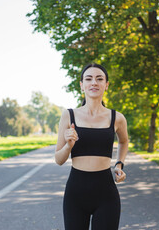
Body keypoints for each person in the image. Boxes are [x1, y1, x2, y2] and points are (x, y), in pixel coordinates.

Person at [55, 63, 129, 230]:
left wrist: (119, 164)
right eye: (88, 79)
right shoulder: (69, 115)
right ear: (82, 85)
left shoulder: (117, 118)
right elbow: (59, 160)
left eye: (99, 79)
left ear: (106, 85)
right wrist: (68, 145)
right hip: (76, 193)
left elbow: (124, 141)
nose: (94, 82)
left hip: (106, 194)